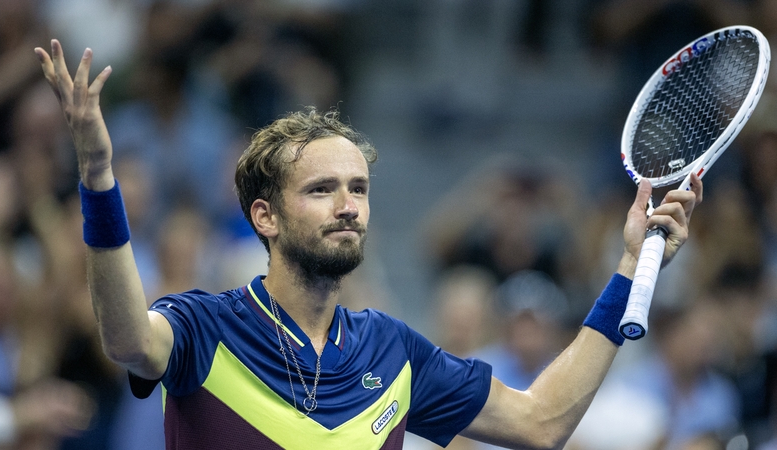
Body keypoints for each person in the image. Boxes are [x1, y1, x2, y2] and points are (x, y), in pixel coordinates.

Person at [34, 39, 703, 449]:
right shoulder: (203, 326)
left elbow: (540, 423)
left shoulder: (392, 348)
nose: (349, 205)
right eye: (322, 189)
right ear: (264, 217)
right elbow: (126, 339)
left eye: (358, 187)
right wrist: (98, 178)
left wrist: (624, 269)